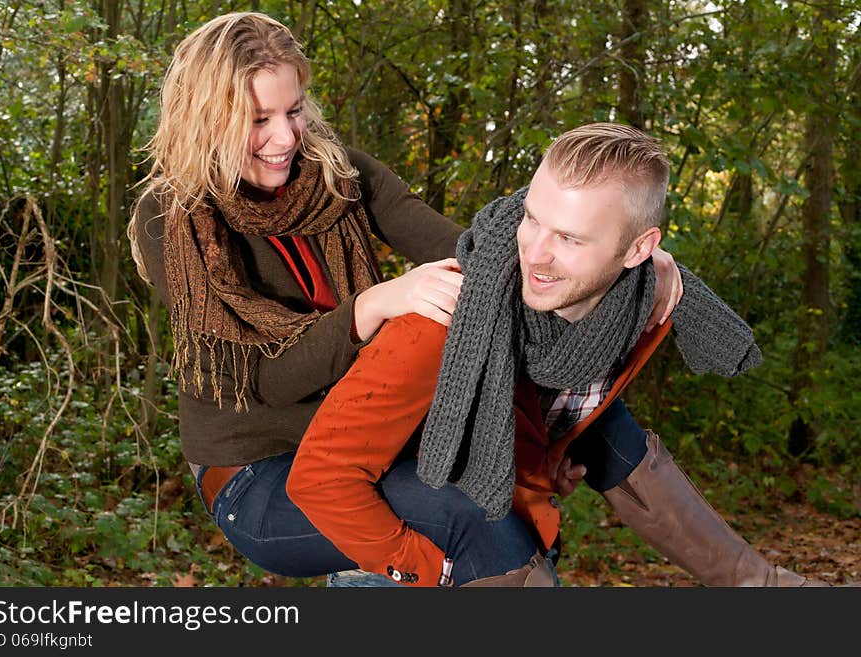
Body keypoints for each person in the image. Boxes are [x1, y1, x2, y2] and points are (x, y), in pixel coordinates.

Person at [126, 12, 683, 585]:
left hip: (370, 443)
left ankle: (755, 584)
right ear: (204, 119)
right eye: (258, 118)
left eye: (293, 111)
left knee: (535, 469)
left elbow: (476, 255)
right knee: (466, 516)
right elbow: (263, 381)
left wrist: (624, 259)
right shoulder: (174, 221)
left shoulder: (336, 172)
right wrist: (373, 307)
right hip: (260, 469)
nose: (286, 137)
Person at [287, 122, 845, 587]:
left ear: (638, 249)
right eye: (531, 218)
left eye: (571, 239)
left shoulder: (637, 304)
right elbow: (319, 478)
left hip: (525, 518)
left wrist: (547, 457)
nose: (536, 253)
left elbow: (559, 410)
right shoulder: (441, 321)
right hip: (417, 551)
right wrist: (427, 569)